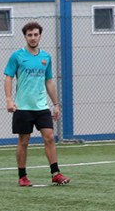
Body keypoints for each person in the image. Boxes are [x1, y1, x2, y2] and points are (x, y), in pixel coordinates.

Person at [4, 21, 69, 187]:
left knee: (49, 137)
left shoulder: (46, 57)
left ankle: (55, 174)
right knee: (23, 141)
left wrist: (56, 104)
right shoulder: (17, 56)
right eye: (29, 35)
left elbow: (49, 81)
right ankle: (22, 176)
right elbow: (8, 77)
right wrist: (9, 99)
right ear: (25, 37)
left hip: (42, 107)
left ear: (40, 36)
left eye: (35, 35)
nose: (33, 38)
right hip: (23, 107)